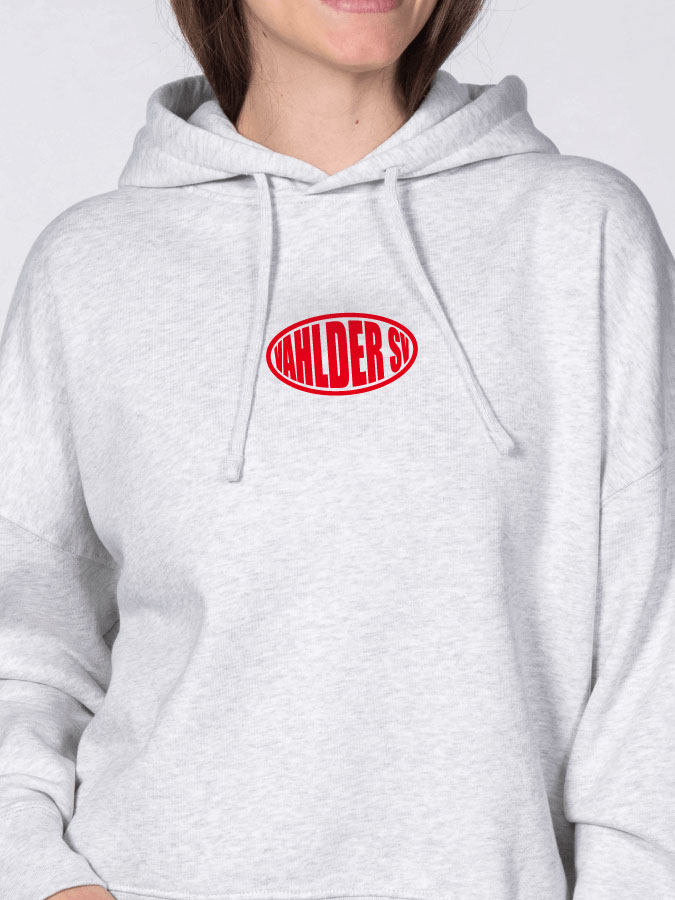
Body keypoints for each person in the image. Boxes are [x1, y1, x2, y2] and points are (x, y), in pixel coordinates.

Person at [1, 1, 674, 899]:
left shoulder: (580, 233)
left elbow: (655, 655)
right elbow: (25, 645)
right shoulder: (90, 267)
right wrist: (40, 876)